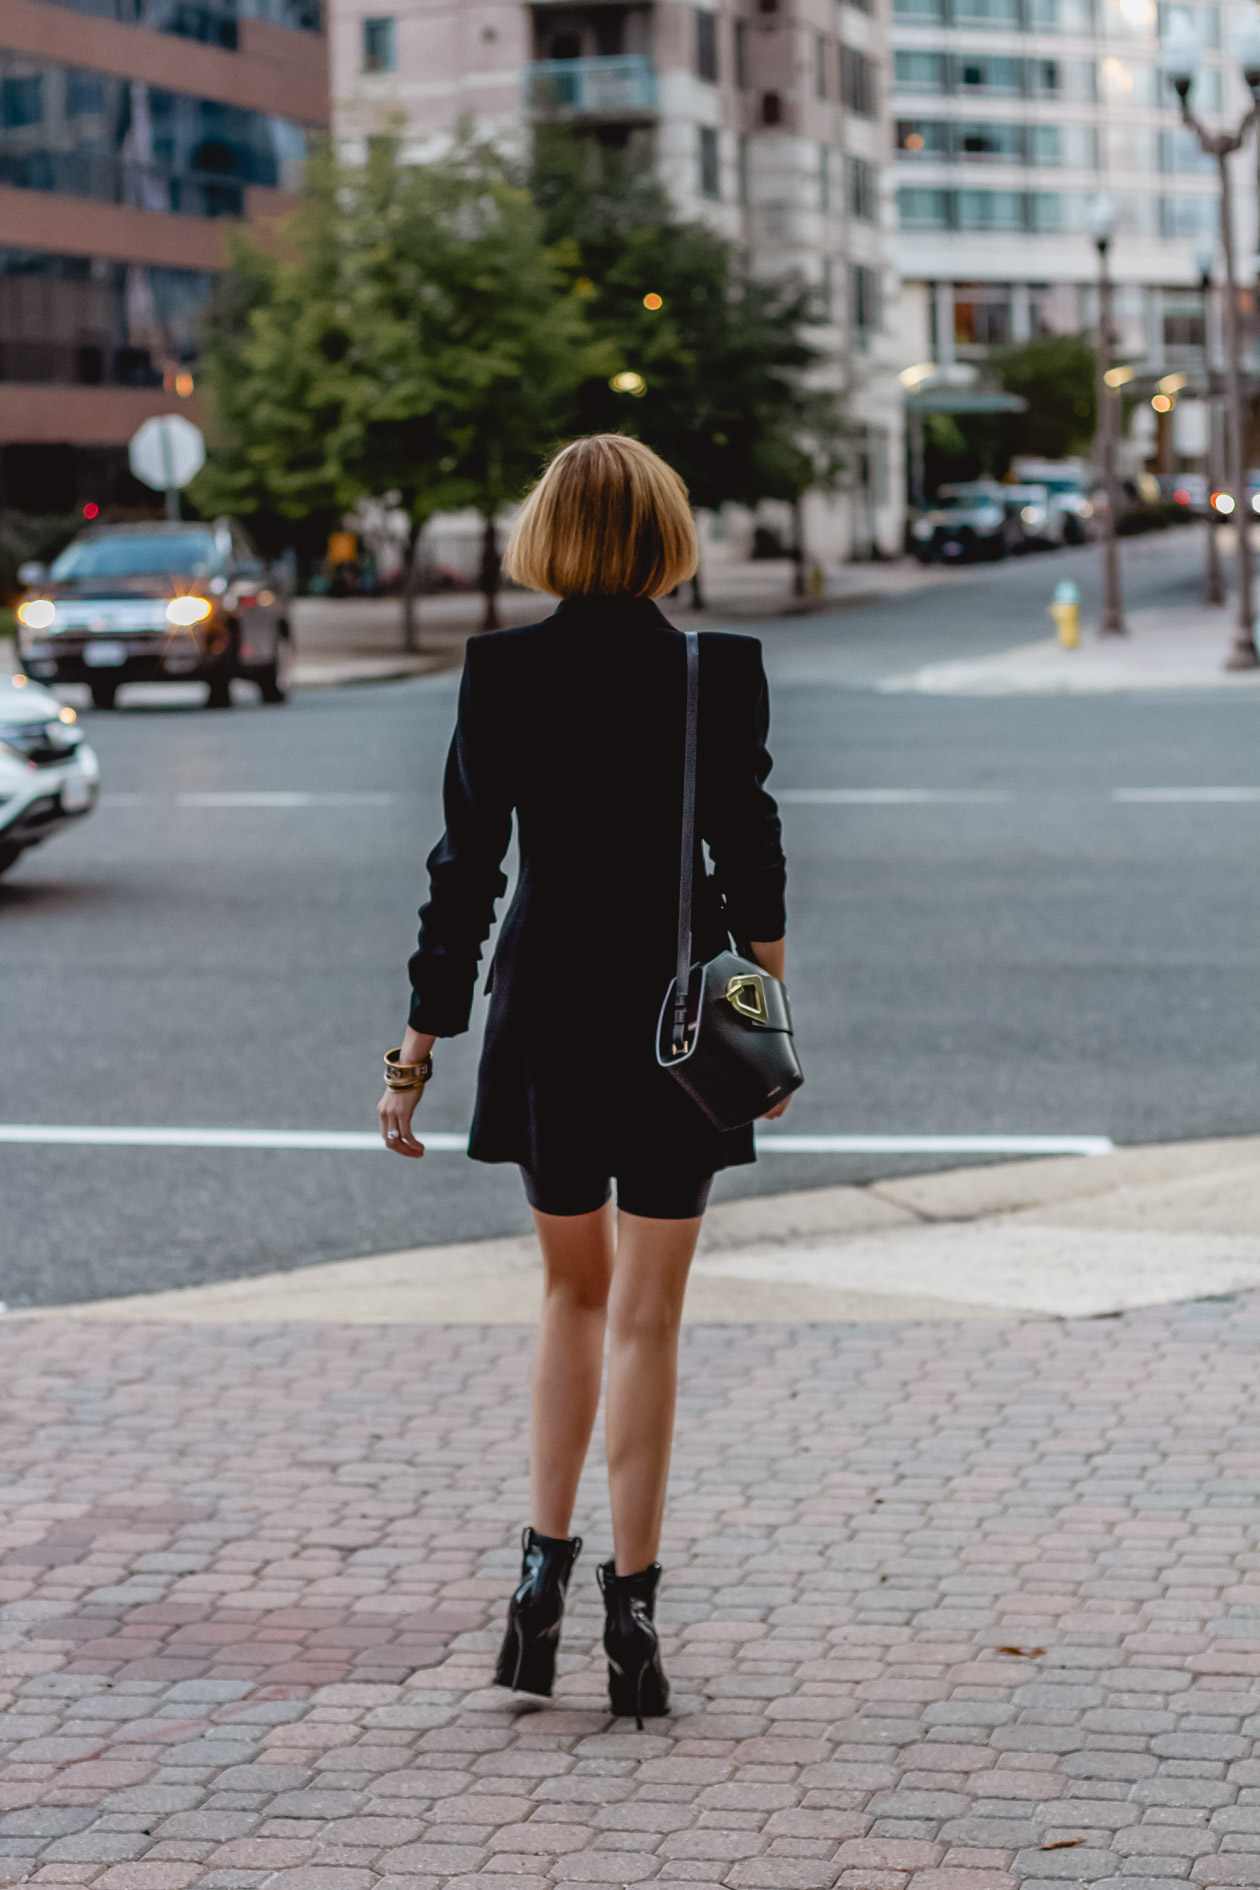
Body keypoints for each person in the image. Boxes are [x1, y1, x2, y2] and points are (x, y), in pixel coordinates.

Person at [379, 434, 789, 1727]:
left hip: (548, 1009)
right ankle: (636, 1615)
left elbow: (467, 871)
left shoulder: (502, 669)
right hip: (678, 1022)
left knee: (569, 1292)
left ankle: (535, 1588)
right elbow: (756, 849)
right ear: (666, 530)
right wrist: (766, 1012)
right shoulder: (715, 670)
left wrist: (416, 1051)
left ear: (548, 529)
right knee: (650, 1317)